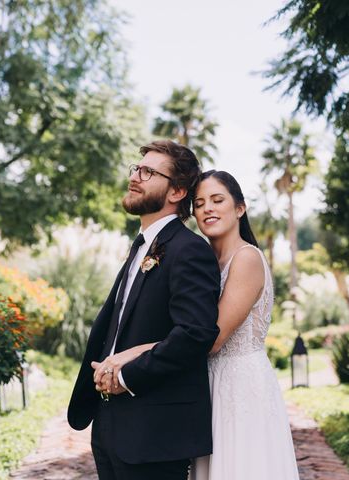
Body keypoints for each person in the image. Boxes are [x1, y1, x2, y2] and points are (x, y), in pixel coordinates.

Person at [100, 170, 300, 479]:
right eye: (200, 202)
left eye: (218, 200)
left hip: (239, 386)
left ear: (239, 208)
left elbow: (212, 338)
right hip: (206, 382)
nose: (207, 208)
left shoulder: (246, 258)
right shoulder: (205, 259)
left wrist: (132, 353)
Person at [67, 140, 221, 480]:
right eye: (137, 169)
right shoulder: (142, 246)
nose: (135, 177)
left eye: (149, 172)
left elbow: (195, 334)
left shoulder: (189, 250)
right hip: (110, 428)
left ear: (177, 190)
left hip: (154, 434)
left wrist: (125, 376)